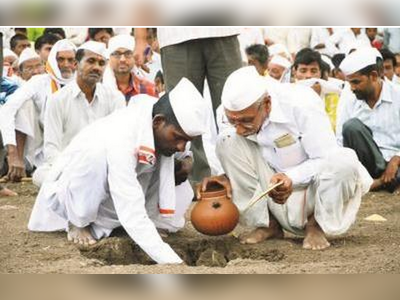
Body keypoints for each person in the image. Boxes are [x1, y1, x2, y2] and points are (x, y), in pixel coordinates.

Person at [28, 78, 208, 264]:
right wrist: (172, 261)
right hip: (80, 189)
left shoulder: (160, 123)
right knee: (96, 156)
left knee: (172, 164)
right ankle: (78, 221)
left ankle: (137, 227)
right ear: (158, 122)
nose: (181, 146)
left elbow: (185, 154)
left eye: (186, 141)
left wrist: (187, 162)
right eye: (178, 138)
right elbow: (130, 208)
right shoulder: (123, 136)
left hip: (122, 189)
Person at [200, 66, 372, 250]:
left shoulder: (301, 103)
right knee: (226, 140)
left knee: (343, 160)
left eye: (246, 121)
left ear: (267, 104)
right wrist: (224, 175)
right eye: (233, 121)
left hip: (314, 188)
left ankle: (316, 225)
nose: (240, 129)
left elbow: (325, 158)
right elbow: (232, 148)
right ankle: (268, 224)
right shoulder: (229, 112)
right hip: (272, 188)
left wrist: (291, 177)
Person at [135, 28, 242, 185]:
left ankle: (241, 178)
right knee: (181, 114)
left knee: (236, 106)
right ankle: (195, 183)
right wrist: (140, 38)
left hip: (223, 29)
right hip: (176, 34)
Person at [35, 41, 126, 186]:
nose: (96, 67)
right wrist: (72, 171)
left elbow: (120, 141)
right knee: (41, 175)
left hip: (103, 166)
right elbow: (51, 148)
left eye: (101, 63)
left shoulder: (115, 98)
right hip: (68, 167)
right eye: (91, 61)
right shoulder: (58, 99)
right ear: (75, 65)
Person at [0, 39, 77, 183]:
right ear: (53, 60)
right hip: (40, 148)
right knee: (24, 104)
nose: (66, 64)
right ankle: (20, 164)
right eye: (61, 59)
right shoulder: (39, 82)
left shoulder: (83, 83)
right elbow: (7, 110)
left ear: (76, 62)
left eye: (70, 60)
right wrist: (13, 153)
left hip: (75, 148)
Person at [337, 47, 400, 193]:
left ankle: (379, 182)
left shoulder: (398, 95)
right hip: (365, 167)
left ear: (373, 76)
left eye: (356, 82)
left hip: (395, 162)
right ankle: (380, 182)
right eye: (349, 83)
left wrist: (396, 159)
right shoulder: (349, 100)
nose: (352, 88)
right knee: (351, 126)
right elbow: (340, 142)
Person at [293, 48, 343, 130]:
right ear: (295, 72)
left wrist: (316, 98)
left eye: (313, 71)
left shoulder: (331, 95)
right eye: (303, 71)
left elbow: (332, 128)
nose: (308, 75)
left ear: (320, 73)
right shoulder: (287, 94)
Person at [103, 35, 157, 103]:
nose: (122, 59)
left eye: (128, 54)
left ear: (134, 57)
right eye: (117, 54)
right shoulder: (99, 89)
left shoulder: (149, 88)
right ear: (108, 58)